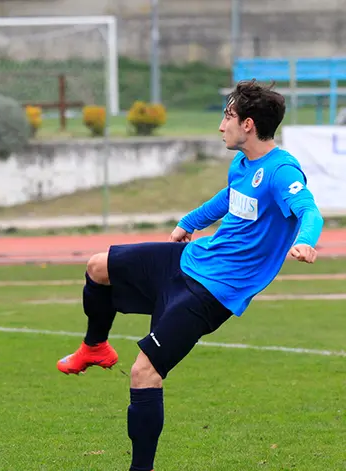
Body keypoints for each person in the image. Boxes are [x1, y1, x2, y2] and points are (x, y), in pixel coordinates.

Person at [55, 80, 324, 471]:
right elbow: (229, 198)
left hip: (213, 293)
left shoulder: (282, 171)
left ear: (248, 124)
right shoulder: (243, 164)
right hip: (190, 258)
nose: (221, 126)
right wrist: (189, 222)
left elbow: (309, 210)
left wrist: (305, 241)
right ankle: (95, 347)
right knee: (98, 266)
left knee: (144, 372)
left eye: (227, 116)